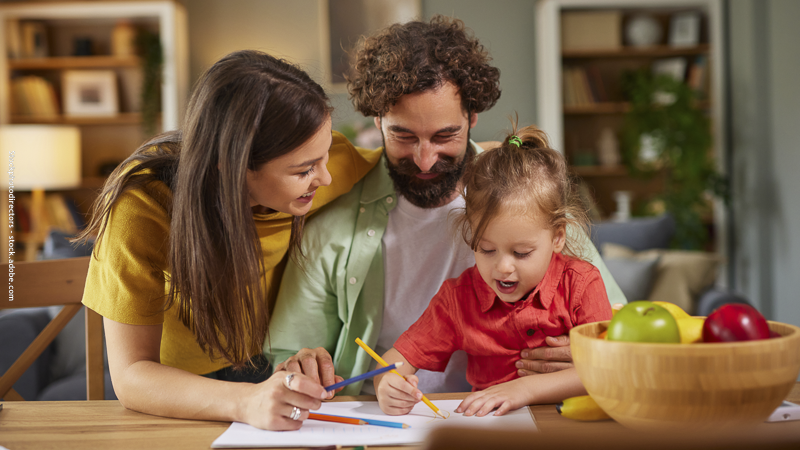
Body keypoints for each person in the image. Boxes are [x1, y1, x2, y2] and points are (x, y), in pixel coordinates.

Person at [265, 16, 626, 396]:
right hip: (380, 417)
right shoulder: (330, 224)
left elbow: (621, 326)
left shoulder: (526, 197)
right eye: (403, 135)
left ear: (471, 117)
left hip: (514, 415)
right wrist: (298, 366)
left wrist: (590, 353)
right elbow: (288, 355)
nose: (424, 160)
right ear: (378, 120)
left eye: (444, 136)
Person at [77, 50, 381, 430]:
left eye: (322, 158)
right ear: (233, 166)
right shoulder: (142, 209)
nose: (327, 177)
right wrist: (245, 400)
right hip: (177, 391)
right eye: (304, 170)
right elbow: (131, 375)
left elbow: (420, 168)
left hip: (270, 366)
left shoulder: (325, 161)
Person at [374, 124, 612, 416]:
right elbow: (395, 360)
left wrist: (523, 390)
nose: (502, 267)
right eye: (486, 249)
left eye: (521, 253)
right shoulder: (459, 298)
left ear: (557, 237)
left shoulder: (581, 284)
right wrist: (388, 383)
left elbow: (609, 370)